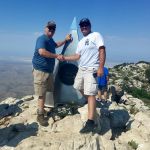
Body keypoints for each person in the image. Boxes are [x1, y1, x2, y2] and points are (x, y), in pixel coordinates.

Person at [58, 18, 106, 133]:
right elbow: (77, 57)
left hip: (91, 69)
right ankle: (91, 102)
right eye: (82, 26)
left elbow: (102, 51)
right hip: (82, 68)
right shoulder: (80, 42)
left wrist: (101, 67)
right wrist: (64, 57)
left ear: (89, 25)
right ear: (80, 28)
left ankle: (91, 122)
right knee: (78, 87)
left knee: (90, 93)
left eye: (86, 25)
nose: (84, 27)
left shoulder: (96, 35)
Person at [32, 20, 71, 126]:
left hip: (48, 71)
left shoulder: (50, 40)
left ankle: (43, 109)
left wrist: (65, 40)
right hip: (41, 71)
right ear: (45, 28)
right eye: (50, 28)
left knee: (46, 91)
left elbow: (56, 45)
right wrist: (56, 56)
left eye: (53, 29)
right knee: (41, 93)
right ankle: (40, 114)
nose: (51, 30)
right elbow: (42, 52)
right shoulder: (42, 39)